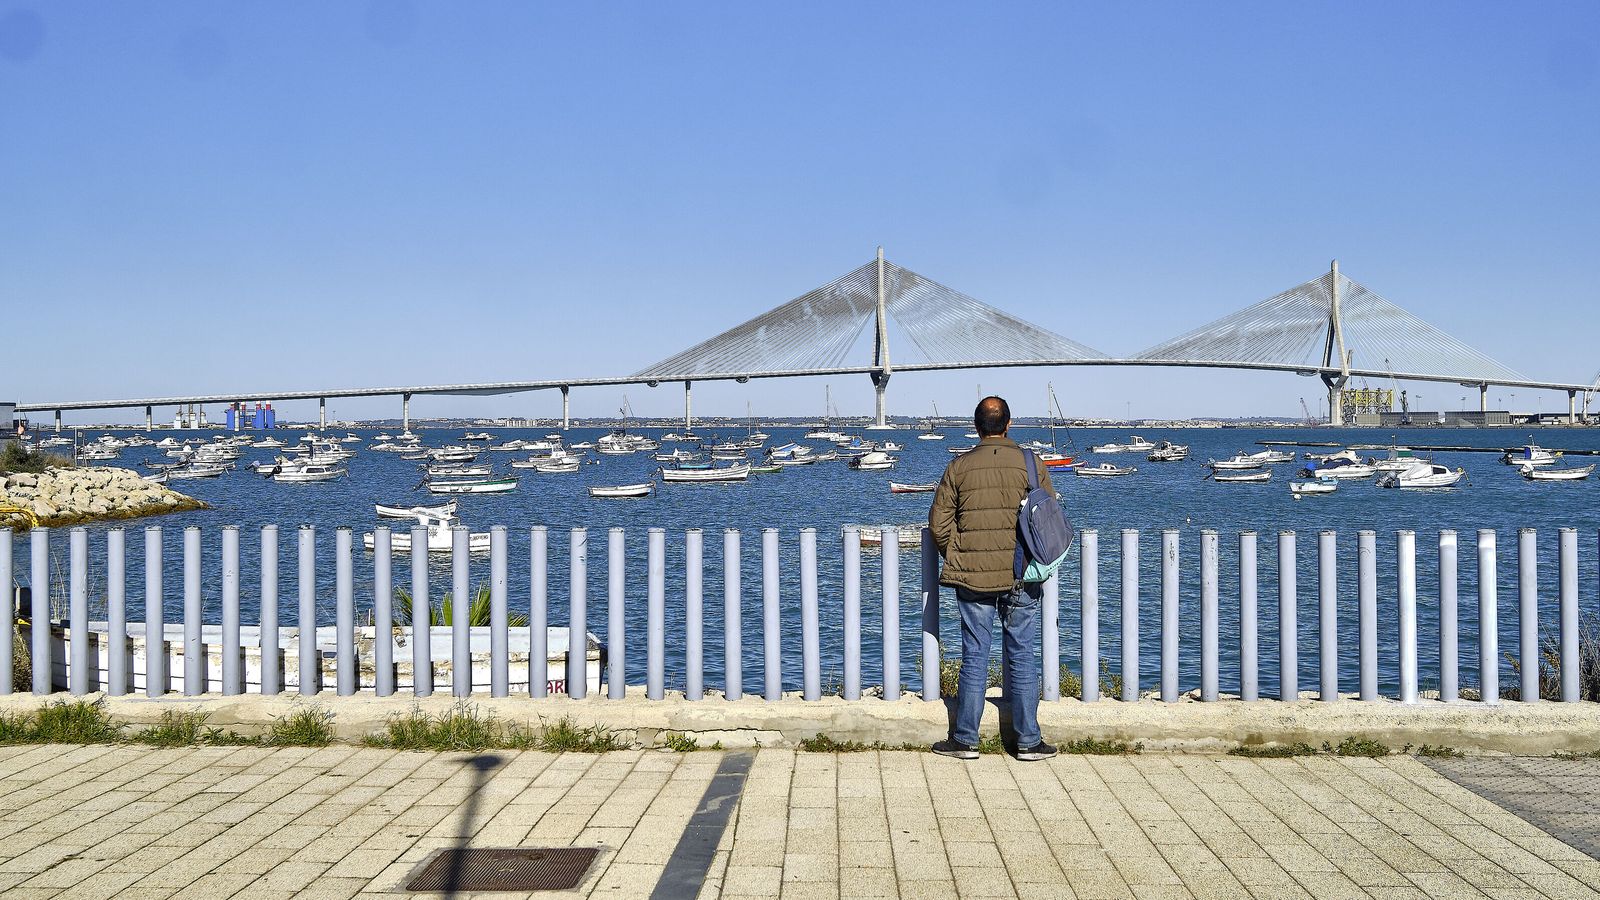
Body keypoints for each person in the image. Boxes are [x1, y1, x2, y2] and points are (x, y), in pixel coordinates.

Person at [927, 395, 1057, 761]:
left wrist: (958, 554)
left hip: (973, 579)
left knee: (975, 654)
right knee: (1022, 654)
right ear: (1009, 425)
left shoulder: (959, 467)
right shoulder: (1032, 464)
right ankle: (1029, 741)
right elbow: (1046, 516)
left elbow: (938, 524)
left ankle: (966, 740)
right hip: (1021, 576)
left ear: (976, 427)